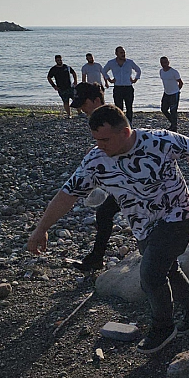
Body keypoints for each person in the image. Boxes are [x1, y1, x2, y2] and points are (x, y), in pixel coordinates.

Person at [27, 104, 189, 354]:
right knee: (167, 268)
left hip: (176, 214)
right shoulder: (96, 160)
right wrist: (41, 229)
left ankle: (163, 327)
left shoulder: (159, 140)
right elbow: (66, 195)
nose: (99, 144)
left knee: (150, 275)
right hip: (141, 225)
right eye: (95, 139)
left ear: (125, 133)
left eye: (104, 139)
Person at [66, 82, 120, 272]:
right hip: (122, 184)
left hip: (136, 183)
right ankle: (96, 258)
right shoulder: (99, 121)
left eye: (83, 103)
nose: (81, 109)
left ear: (97, 100)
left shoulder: (114, 119)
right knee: (104, 213)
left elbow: (126, 148)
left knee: (107, 213)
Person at [103, 46, 141, 125]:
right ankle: (120, 123)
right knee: (118, 107)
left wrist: (135, 79)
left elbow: (138, 70)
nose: (123, 54)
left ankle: (129, 123)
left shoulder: (129, 62)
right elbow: (104, 71)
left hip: (128, 87)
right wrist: (109, 79)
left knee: (129, 107)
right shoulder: (111, 63)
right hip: (118, 87)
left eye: (123, 52)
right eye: (121, 53)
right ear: (116, 53)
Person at [159, 56, 184, 132]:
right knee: (164, 109)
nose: (164, 64)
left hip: (174, 93)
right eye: (162, 63)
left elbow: (180, 82)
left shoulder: (174, 72)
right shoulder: (161, 71)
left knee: (173, 111)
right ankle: (173, 123)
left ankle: (174, 127)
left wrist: (176, 90)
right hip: (166, 93)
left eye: (166, 62)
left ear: (168, 62)